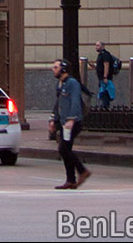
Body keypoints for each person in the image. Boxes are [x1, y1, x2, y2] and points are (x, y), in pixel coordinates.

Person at [50, 58, 92, 190]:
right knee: (65, 150)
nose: (53, 69)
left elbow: (75, 101)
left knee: (64, 149)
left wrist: (71, 119)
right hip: (64, 122)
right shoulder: (61, 83)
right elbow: (58, 104)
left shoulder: (72, 83)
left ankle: (82, 171)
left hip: (73, 122)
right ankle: (71, 180)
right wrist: (53, 119)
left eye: (56, 67)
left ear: (63, 69)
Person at [94, 42, 114, 109]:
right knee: (103, 92)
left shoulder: (105, 54)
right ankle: (104, 105)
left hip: (104, 78)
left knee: (105, 92)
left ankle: (105, 106)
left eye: (98, 45)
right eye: (96, 45)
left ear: (102, 46)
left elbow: (106, 65)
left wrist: (105, 76)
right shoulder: (100, 55)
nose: (96, 47)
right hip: (101, 78)